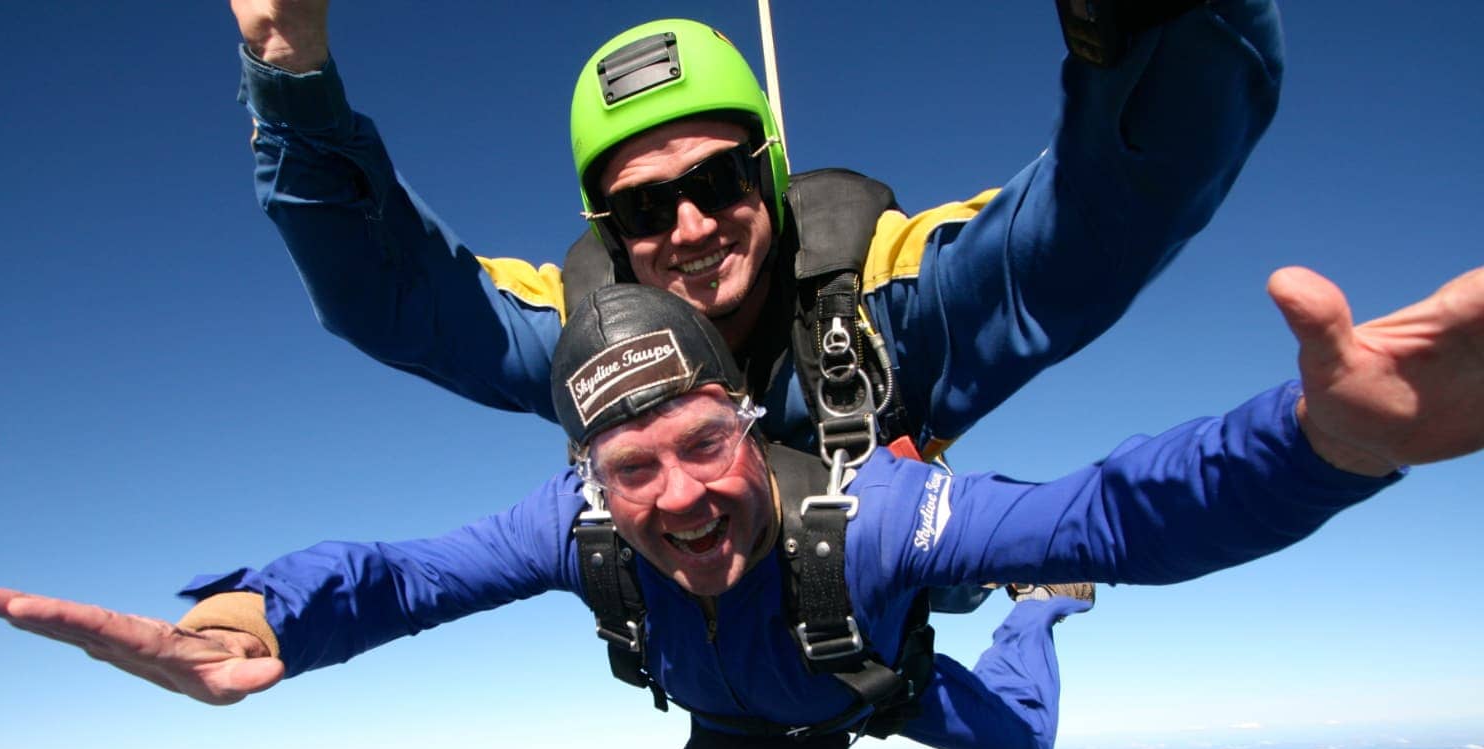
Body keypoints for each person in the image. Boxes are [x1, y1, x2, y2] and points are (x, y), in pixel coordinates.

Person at [0, 263, 1484, 749]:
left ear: (747, 425)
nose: (678, 493)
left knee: (1024, 739)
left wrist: (1318, 445)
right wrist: (251, 626)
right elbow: (398, 577)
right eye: (632, 468)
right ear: (592, 479)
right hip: (769, 695)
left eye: (702, 442)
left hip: (873, 680)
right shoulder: (581, 529)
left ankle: (1040, 613)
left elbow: (1121, 510)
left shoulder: (879, 514)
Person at [229, 2, 1283, 460]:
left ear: (770, 177)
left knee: (1015, 730)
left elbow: (1099, 225)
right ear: (609, 226)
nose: (689, 225)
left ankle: (1039, 601)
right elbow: (395, 297)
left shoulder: (884, 304)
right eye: (643, 206)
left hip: (881, 644)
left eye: (721, 180)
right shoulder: (593, 335)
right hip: (725, 682)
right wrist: (289, 72)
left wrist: (1155, 18)